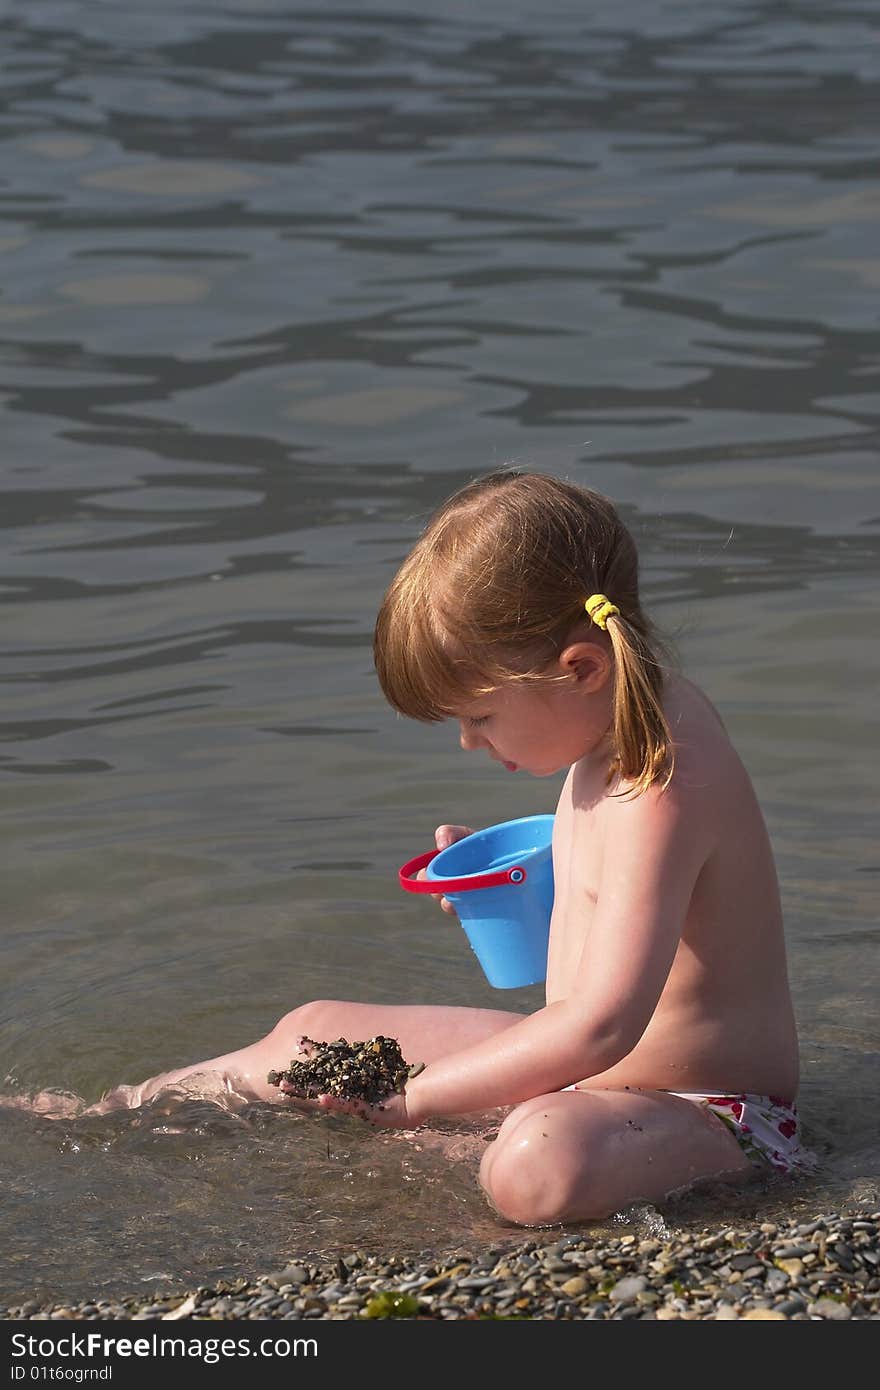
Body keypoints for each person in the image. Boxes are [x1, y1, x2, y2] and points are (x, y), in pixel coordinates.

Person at [70, 471, 817, 1223]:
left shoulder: (662, 783)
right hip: (588, 1080)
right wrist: (525, 881)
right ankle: (110, 1110)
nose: (468, 742)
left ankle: (464, 1139)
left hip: (708, 1112)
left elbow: (599, 1026)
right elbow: (633, 905)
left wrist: (418, 1099)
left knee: (537, 1160)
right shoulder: (622, 721)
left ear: (581, 668)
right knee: (314, 1031)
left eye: (481, 717)